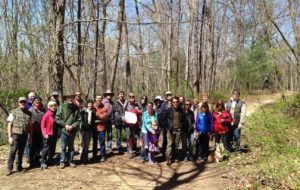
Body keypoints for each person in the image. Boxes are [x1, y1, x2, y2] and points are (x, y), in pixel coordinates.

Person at [6, 97, 33, 176]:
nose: (23, 103)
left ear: (26, 103)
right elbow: (9, 125)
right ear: (18, 103)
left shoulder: (29, 113)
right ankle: (9, 168)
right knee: (13, 150)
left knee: (21, 151)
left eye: (24, 102)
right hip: (15, 134)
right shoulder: (13, 112)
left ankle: (19, 166)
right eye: (21, 102)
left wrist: (30, 137)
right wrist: (9, 136)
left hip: (24, 135)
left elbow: (30, 126)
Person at [55, 94, 81, 169]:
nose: (70, 99)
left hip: (72, 131)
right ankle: (62, 161)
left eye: (72, 97)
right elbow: (57, 118)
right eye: (68, 97)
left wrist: (72, 126)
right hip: (63, 130)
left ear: (73, 98)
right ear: (66, 98)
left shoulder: (76, 108)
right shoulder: (61, 107)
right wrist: (65, 125)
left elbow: (79, 119)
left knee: (71, 147)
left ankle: (71, 161)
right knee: (63, 147)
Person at [162, 97, 186, 165]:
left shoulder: (182, 111)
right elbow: (164, 120)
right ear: (172, 103)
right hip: (170, 130)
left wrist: (182, 128)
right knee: (169, 144)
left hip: (178, 130)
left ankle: (174, 157)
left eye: (176, 102)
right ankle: (168, 158)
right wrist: (167, 127)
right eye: (174, 102)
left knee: (176, 145)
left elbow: (184, 120)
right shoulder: (168, 110)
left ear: (178, 103)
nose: (175, 103)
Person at [40, 101, 59, 169]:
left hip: (54, 134)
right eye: (51, 106)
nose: (53, 107)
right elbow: (42, 125)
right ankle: (43, 162)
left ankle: (50, 160)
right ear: (49, 107)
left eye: (54, 105)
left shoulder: (56, 114)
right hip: (48, 134)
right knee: (46, 148)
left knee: (52, 147)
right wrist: (45, 134)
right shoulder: (47, 114)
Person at [124, 92, 142, 159]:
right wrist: (124, 119)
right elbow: (123, 113)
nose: (132, 98)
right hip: (128, 124)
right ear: (128, 98)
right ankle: (131, 151)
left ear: (134, 97)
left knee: (139, 137)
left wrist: (139, 111)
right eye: (130, 97)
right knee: (129, 137)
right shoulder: (126, 104)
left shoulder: (137, 104)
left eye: (133, 96)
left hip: (137, 124)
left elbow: (142, 111)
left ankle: (141, 151)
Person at [29, 96, 45, 167]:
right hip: (32, 132)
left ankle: (37, 160)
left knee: (39, 147)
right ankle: (31, 162)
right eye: (36, 100)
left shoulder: (43, 111)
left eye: (39, 100)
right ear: (34, 102)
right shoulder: (30, 110)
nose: (38, 102)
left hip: (40, 132)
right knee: (32, 147)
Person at [80, 100, 96, 164]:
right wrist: (82, 130)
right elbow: (81, 121)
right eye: (89, 104)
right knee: (85, 144)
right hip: (84, 130)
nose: (90, 105)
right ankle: (84, 158)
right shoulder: (83, 112)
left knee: (87, 144)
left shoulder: (92, 112)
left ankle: (84, 157)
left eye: (91, 104)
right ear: (87, 105)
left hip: (90, 130)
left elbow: (93, 121)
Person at [160, 91, 172, 157]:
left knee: (171, 140)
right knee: (165, 139)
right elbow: (161, 115)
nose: (168, 96)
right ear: (165, 96)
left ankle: (170, 154)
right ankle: (163, 153)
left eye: (169, 94)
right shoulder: (163, 104)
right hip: (165, 125)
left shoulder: (174, 102)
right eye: (167, 95)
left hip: (172, 125)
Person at [103, 90, 115, 154]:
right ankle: (103, 147)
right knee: (103, 135)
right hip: (103, 121)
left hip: (110, 121)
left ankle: (109, 147)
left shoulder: (112, 103)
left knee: (109, 135)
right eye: (108, 94)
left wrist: (113, 123)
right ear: (105, 95)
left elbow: (113, 113)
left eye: (110, 94)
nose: (109, 95)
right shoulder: (103, 102)